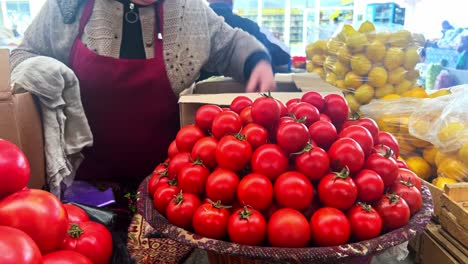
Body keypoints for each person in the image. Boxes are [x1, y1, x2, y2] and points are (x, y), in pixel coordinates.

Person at [205, 0, 291, 75]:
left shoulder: (197, 27)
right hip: (250, 91)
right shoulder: (250, 27)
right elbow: (283, 57)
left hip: (197, 92)